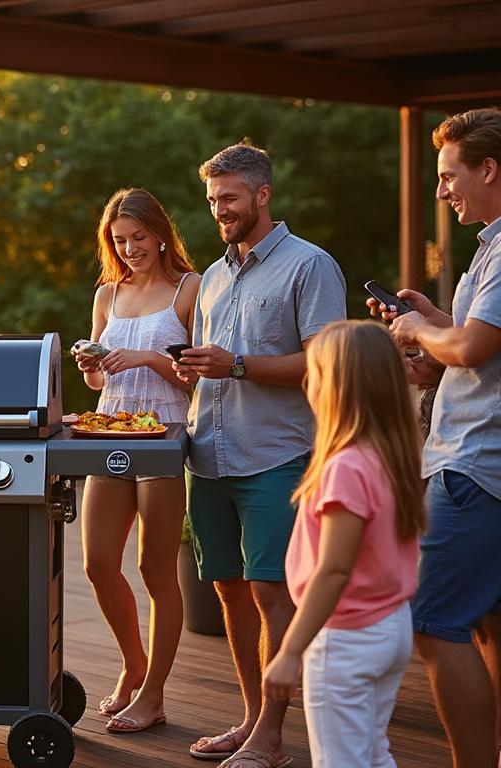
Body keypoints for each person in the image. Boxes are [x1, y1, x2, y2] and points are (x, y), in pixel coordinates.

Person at [173, 143, 347, 767]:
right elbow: (210, 366)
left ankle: (272, 737)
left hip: (275, 457)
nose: (220, 210)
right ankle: (250, 720)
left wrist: (238, 365)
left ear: (263, 194)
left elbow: (326, 361)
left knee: (272, 593)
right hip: (209, 457)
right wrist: (192, 371)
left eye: (231, 198)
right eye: (214, 199)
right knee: (228, 593)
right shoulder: (213, 277)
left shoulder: (310, 266)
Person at [370, 107, 501, 768]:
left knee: (431, 620)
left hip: (475, 467)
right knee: (487, 624)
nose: (443, 191)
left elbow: (475, 346)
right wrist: (430, 323)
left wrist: (420, 334)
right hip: (477, 461)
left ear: (489, 169)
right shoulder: (489, 247)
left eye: (450, 176)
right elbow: (477, 345)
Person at [261, 320, 424, 768]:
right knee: (372, 752)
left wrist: (291, 649)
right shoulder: (389, 455)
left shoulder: (345, 468)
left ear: (336, 387)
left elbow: (335, 569)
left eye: (312, 373)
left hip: (346, 637)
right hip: (390, 626)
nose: (305, 383)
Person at [73, 187, 198, 734]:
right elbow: (103, 377)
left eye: (138, 237)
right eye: (119, 241)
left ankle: (154, 694)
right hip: (111, 429)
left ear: (161, 233)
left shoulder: (189, 290)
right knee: (98, 563)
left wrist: (150, 356)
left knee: (153, 569)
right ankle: (133, 663)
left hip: (165, 434)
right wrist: (90, 367)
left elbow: (196, 374)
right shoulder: (108, 296)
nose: (129, 249)